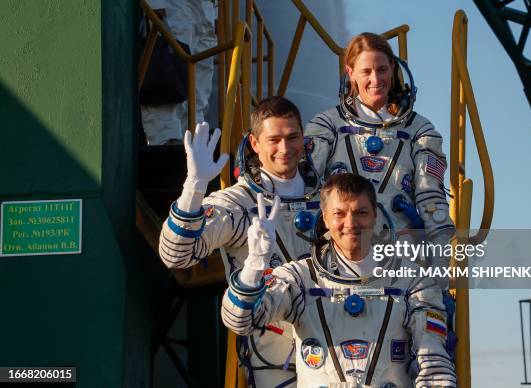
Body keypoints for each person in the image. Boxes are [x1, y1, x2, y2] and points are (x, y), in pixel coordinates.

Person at [222, 173, 457, 387]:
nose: (351, 223)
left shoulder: (413, 282)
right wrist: (253, 265)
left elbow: (434, 364)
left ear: (375, 215)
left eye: (361, 212)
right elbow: (240, 321)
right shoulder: (301, 279)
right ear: (325, 218)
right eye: (339, 214)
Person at [159, 97, 323, 387]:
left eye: (292, 137)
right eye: (273, 139)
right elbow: (176, 255)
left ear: (304, 139)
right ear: (255, 143)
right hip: (277, 360)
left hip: (336, 345)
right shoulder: (238, 204)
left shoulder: (330, 199)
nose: (284, 149)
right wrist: (194, 188)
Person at [304, 33, 455, 286]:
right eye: (366, 71)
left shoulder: (419, 130)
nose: (376, 79)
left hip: (400, 257)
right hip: (339, 258)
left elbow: (432, 202)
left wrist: (439, 273)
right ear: (350, 73)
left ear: (393, 68)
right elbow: (304, 190)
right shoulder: (327, 125)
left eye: (382, 69)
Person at [142, 0, 217, 145]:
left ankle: (196, 144)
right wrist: (155, 3)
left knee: (198, 90)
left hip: (205, 9)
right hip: (174, 6)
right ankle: (166, 143)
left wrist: (216, 13)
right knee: (167, 80)